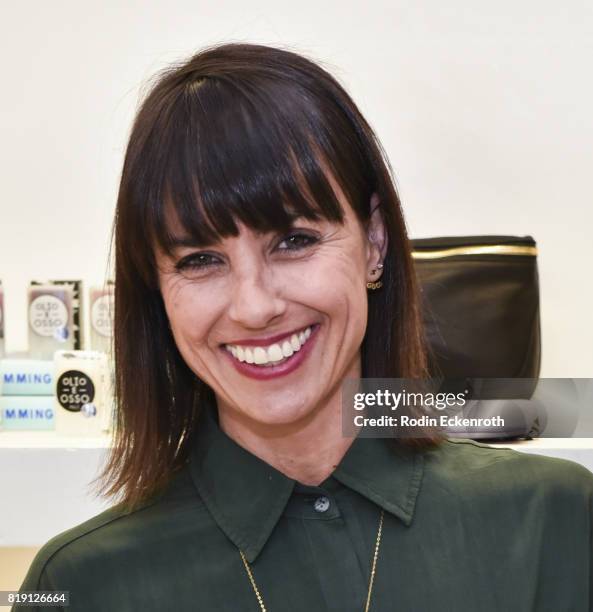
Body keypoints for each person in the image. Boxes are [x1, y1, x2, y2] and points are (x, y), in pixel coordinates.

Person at [17, 42, 593, 612]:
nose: (254, 306)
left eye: (295, 240)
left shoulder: (556, 520)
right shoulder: (79, 585)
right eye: (199, 259)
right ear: (156, 289)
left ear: (374, 242)